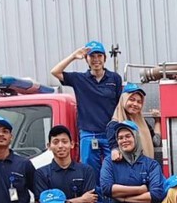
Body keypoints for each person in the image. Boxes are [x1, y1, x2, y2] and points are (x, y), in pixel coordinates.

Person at [50, 40, 123, 174]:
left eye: (99, 56)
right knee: (90, 172)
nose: (96, 59)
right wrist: (73, 56)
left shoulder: (114, 78)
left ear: (105, 58)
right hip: (89, 134)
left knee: (114, 170)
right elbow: (55, 71)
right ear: (86, 59)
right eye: (92, 56)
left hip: (110, 135)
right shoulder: (79, 79)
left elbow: (121, 105)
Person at [100, 121, 166, 203]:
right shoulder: (109, 162)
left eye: (128, 136)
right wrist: (140, 189)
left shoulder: (151, 165)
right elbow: (107, 188)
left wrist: (123, 198)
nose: (124, 140)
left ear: (136, 137)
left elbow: (155, 195)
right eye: (120, 138)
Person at [33, 125, 99, 203]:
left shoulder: (86, 170)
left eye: (64, 142)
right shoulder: (41, 173)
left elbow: (90, 202)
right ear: (49, 146)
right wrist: (80, 200)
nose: (60, 146)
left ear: (72, 144)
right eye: (55, 142)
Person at [104, 83, 158, 160]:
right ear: (123, 100)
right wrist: (115, 150)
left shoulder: (144, 124)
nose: (135, 104)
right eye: (131, 100)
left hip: (147, 166)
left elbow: (156, 142)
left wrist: (157, 121)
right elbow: (115, 153)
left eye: (139, 102)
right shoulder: (113, 126)